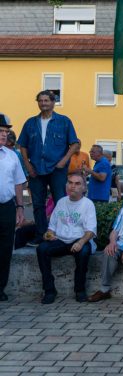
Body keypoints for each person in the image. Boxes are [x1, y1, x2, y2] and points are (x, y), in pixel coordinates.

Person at [18, 91, 79, 246]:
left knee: (61, 202)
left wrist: (64, 161)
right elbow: (22, 145)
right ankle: (41, 235)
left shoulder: (64, 121)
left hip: (57, 169)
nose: (43, 103)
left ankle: (59, 234)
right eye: (40, 101)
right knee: (37, 204)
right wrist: (27, 164)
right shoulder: (30, 123)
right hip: (36, 169)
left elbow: (75, 144)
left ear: (53, 102)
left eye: (46, 100)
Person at [35, 173, 96, 304]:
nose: (72, 186)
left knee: (84, 251)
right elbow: (51, 227)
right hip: (61, 240)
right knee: (42, 249)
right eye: (70, 182)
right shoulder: (61, 202)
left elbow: (90, 231)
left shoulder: (88, 204)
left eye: (77, 183)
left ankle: (79, 290)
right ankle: (49, 290)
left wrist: (80, 242)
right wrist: (48, 234)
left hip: (79, 239)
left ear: (84, 188)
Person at [0, 113, 26, 302]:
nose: (4, 135)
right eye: (1, 131)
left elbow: (18, 183)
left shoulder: (11, 156)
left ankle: (0, 287)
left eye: (6, 132)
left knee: (5, 247)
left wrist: (20, 207)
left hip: (6, 206)